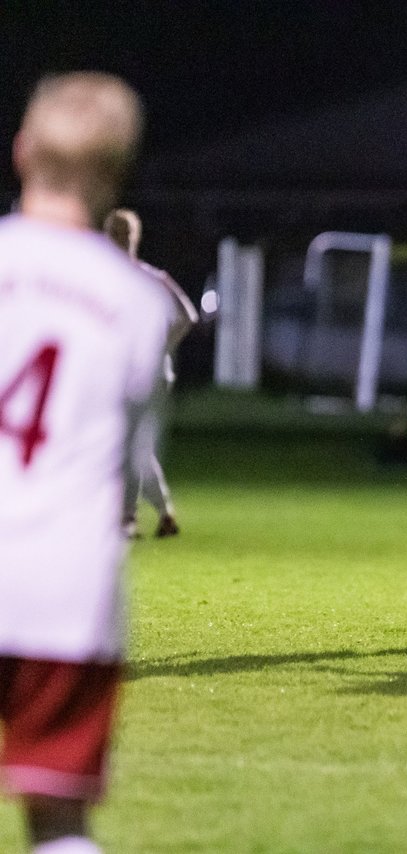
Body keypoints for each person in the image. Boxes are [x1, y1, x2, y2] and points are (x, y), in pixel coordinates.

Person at [0, 72, 168, 854]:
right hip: (64, 590)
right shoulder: (135, 301)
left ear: (22, 151)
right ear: (114, 177)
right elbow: (130, 457)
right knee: (59, 821)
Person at [103, 208, 197, 538]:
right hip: (120, 374)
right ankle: (164, 513)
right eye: (116, 234)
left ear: (135, 238)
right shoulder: (107, 279)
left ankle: (126, 518)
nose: (119, 241)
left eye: (124, 235)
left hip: (148, 374)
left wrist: (159, 344)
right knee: (134, 448)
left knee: (127, 446)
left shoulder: (149, 277)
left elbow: (187, 316)